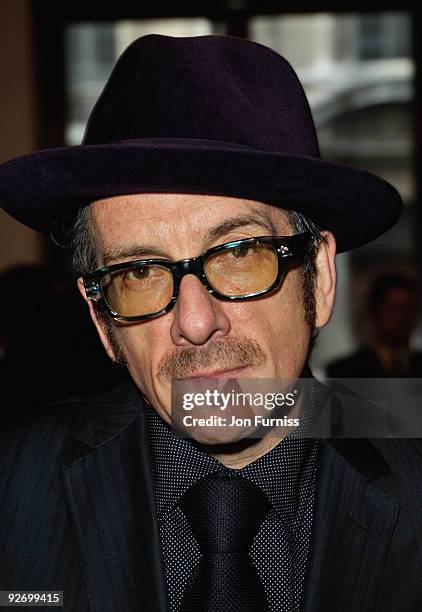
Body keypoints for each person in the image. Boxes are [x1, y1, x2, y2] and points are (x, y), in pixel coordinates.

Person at [0, 34, 421, 612]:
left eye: (240, 253)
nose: (196, 323)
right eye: (141, 271)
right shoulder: (13, 484)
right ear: (101, 318)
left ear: (318, 277)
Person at [327, 273, 422, 378]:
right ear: (375, 314)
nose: (404, 318)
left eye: (410, 310)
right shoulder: (343, 371)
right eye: (395, 310)